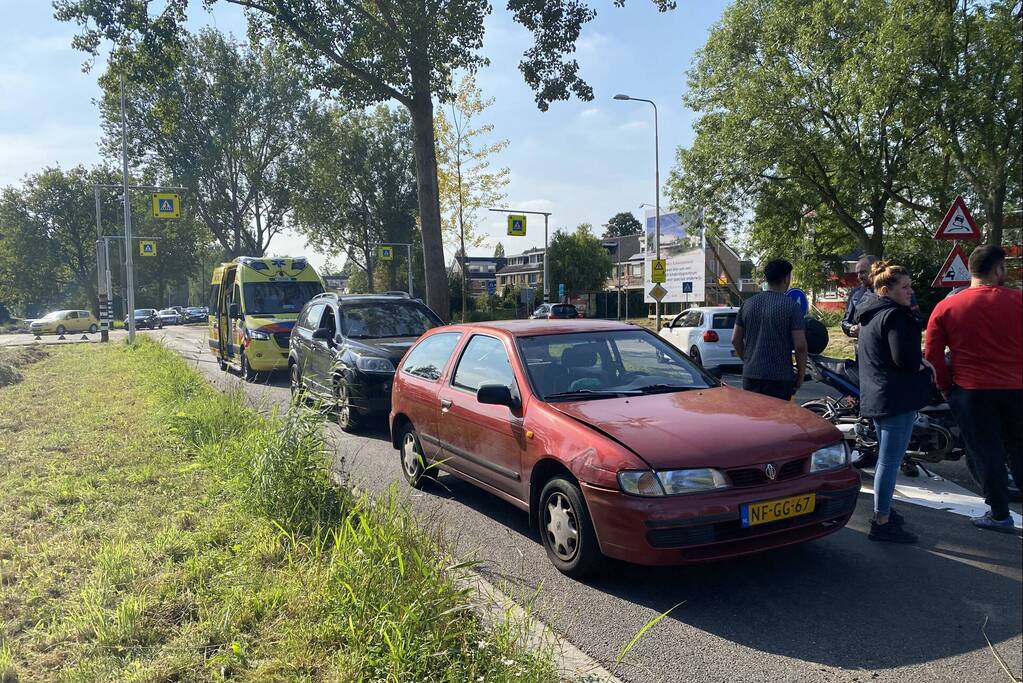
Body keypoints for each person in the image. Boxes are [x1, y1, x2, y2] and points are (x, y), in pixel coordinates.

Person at [924, 245, 1022, 534]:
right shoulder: (1018, 301)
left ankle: (1000, 514)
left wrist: (944, 387)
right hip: (1017, 389)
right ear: (999, 269)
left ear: (971, 271)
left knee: (985, 451)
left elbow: (932, 354)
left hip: (971, 392)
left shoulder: (947, 307)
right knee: (1020, 450)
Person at [856, 261, 933, 543]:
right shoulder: (896, 317)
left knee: (886, 460)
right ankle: (881, 521)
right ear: (886, 290)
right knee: (890, 461)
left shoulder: (869, 314)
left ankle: (883, 510)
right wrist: (924, 364)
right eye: (905, 287)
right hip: (896, 398)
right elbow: (905, 359)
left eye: (910, 286)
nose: (910, 291)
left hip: (878, 395)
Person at [733, 259, 807, 401]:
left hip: (751, 376)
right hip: (780, 378)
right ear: (786, 279)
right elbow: (800, 346)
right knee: (778, 421)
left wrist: (747, 360)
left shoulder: (747, 305)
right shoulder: (792, 307)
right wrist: (801, 374)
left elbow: (735, 339)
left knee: (753, 420)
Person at [842, 255, 878, 338]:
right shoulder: (856, 294)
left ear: (875, 270)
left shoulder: (894, 291)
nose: (859, 277)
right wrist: (851, 329)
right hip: (863, 347)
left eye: (863, 272)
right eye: (857, 273)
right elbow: (846, 321)